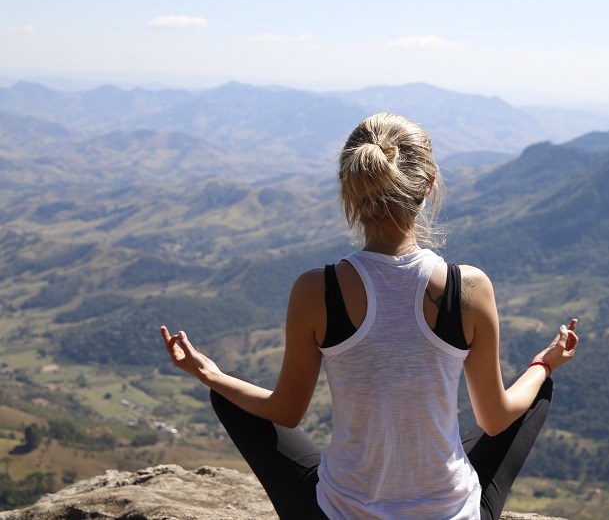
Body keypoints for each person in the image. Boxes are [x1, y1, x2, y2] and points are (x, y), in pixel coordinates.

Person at [161, 112, 579, 520]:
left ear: (350, 185)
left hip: (338, 512)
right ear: (429, 186)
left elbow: (285, 411)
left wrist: (210, 374)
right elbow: (496, 419)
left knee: (229, 397)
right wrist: (544, 363)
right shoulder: (468, 287)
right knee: (535, 393)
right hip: (451, 512)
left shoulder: (316, 289)